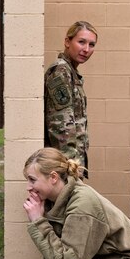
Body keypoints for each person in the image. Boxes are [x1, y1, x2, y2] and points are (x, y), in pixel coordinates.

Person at [44, 21, 97, 175]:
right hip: (65, 164)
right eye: (81, 42)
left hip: (72, 161)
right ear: (67, 42)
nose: (86, 49)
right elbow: (61, 125)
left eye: (91, 45)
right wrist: (70, 165)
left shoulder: (71, 71)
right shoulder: (61, 71)